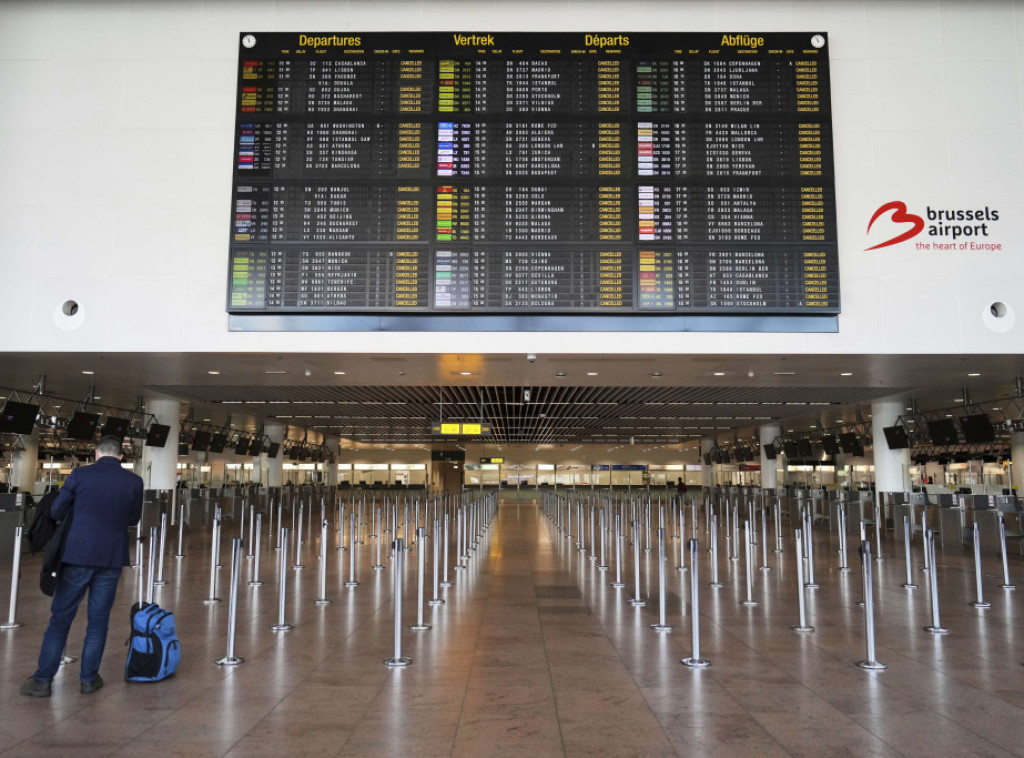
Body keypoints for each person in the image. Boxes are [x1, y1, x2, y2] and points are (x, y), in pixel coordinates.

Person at [20, 435, 143, 698]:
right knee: (98, 622)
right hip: (111, 558)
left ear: (96, 453)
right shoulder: (134, 481)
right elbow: (133, 518)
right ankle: (88, 679)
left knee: (60, 619)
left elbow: (56, 511)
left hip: (76, 555)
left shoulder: (80, 475)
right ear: (120, 456)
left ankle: (42, 680)